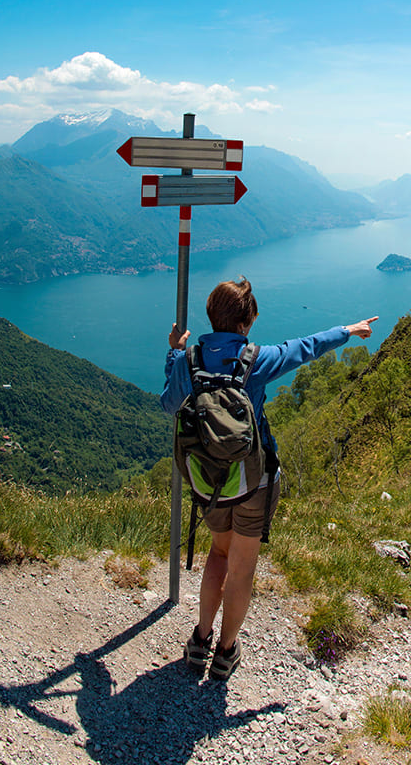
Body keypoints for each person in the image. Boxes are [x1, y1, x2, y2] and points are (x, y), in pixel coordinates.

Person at [160, 277, 377, 680]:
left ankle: (199, 641)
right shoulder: (255, 359)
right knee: (242, 567)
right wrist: (348, 330)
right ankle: (225, 652)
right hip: (253, 480)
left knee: (218, 556)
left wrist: (173, 354)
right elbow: (306, 347)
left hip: (208, 482)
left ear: (212, 316)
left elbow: (170, 403)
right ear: (246, 322)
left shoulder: (189, 359)